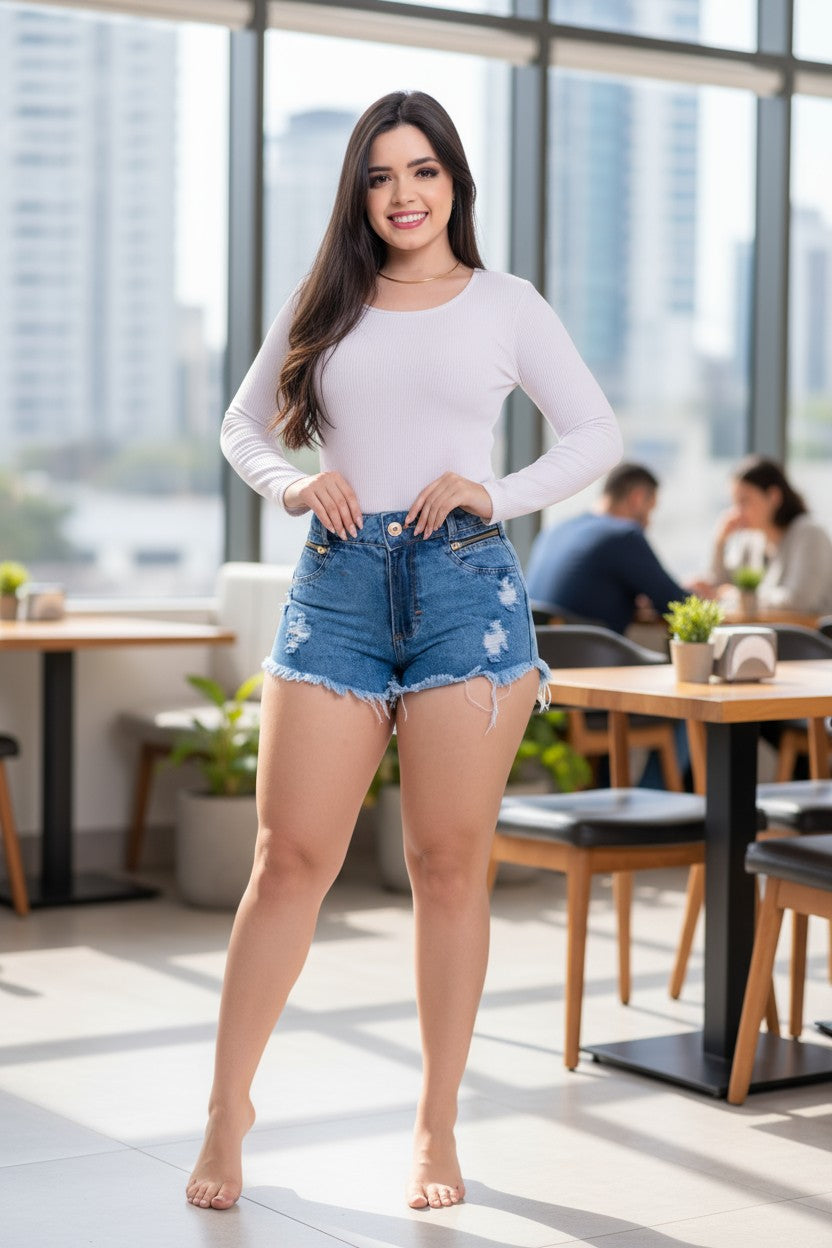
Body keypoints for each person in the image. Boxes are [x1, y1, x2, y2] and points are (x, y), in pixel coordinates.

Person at [185, 90, 621, 1215]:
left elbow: (595, 433)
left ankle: (435, 1123)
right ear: (358, 193)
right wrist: (291, 480)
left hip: (463, 590)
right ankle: (227, 1108)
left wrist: (497, 492)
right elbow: (241, 427)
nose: (403, 195)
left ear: (453, 183)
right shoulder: (327, 300)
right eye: (379, 177)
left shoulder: (504, 303)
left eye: (421, 171)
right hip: (333, 584)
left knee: (444, 865)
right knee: (289, 860)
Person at [525, 462, 689, 634]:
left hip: (539, 652)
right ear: (637, 498)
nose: (649, 522)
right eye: (650, 510)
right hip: (591, 653)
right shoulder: (624, 535)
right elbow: (674, 603)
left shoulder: (554, 531)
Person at [706, 455, 832, 615]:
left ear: (773, 496)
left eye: (744, 501)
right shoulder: (752, 540)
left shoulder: (809, 533)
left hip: (808, 638)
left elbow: (798, 602)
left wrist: (739, 597)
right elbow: (721, 588)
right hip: (765, 636)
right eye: (734, 503)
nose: (737, 512)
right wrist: (720, 542)